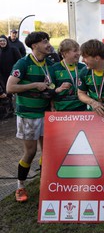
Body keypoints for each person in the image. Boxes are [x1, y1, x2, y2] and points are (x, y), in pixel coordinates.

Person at [6, 31, 54, 202]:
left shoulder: (50, 61)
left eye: (48, 40)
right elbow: (10, 87)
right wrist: (35, 85)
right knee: (31, 152)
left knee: (47, 151)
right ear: (34, 46)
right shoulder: (23, 63)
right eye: (44, 41)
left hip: (46, 114)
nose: (48, 44)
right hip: (28, 115)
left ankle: (44, 183)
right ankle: (20, 186)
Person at [50, 39, 86, 111]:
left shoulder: (83, 68)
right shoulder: (54, 69)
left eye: (79, 50)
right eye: (75, 51)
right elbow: (50, 89)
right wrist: (52, 106)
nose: (79, 53)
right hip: (62, 110)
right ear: (65, 53)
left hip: (81, 110)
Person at [0, 35, 22, 117]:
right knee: (6, 93)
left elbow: (19, 61)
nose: (2, 42)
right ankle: (10, 110)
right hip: (3, 76)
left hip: (14, 75)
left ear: (6, 42)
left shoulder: (13, 49)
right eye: (0, 41)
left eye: (4, 41)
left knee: (17, 93)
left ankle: (18, 108)